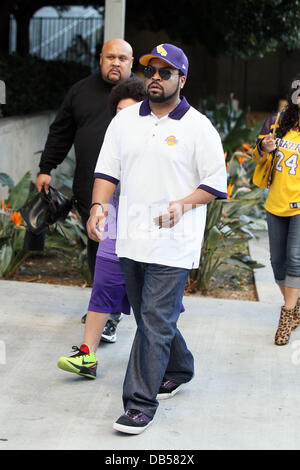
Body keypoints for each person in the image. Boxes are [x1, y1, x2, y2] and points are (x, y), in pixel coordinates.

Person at [87, 43, 228, 434]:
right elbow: (106, 172)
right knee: (155, 318)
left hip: (174, 242)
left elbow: (215, 184)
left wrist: (183, 205)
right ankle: (180, 366)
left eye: (165, 72)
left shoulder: (198, 127)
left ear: (182, 80)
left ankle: (139, 404)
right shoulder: (125, 121)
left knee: (152, 320)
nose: (155, 77)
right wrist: (98, 207)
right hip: (130, 239)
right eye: (151, 70)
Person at [35, 38, 134, 342]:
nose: (115, 63)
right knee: (98, 252)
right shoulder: (80, 91)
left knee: (122, 254)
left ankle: (110, 313)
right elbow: (61, 130)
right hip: (89, 191)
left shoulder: (143, 94)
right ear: (100, 59)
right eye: (110, 57)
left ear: (131, 63)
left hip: (133, 195)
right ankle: (105, 310)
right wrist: (45, 168)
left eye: (122, 58)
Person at [57, 77, 147, 379]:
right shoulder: (114, 141)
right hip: (116, 220)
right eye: (118, 112)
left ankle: (167, 358)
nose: (123, 118)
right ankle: (87, 355)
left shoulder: (160, 142)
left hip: (152, 227)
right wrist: (98, 209)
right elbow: (104, 178)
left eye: (130, 111)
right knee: (103, 283)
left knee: (153, 301)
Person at [252, 76, 300, 346]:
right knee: (277, 262)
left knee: (294, 259)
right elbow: (256, 157)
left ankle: (287, 315)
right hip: (276, 203)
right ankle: (295, 304)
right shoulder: (277, 122)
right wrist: (264, 147)